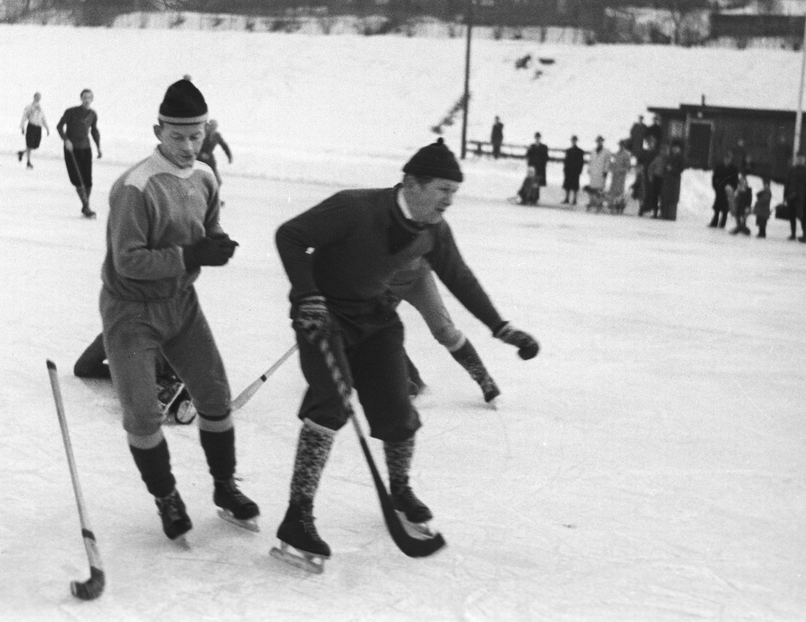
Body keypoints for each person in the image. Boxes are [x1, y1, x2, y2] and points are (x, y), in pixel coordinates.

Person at [271, 139, 540, 570]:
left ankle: (400, 490)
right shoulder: (355, 208)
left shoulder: (433, 229)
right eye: (443, 190)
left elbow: (460, 277)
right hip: (323, 316)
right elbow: (290, 235)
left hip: (376, 319)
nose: (450, 200)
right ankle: (297, 516)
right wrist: (307, 295)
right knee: (331, 404)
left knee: (398, 408)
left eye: (455, 191)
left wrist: (501, 328)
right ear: (411, 184)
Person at [98, 78, 257, 541]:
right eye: (178, 137)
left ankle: (225, 488)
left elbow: (207, 228)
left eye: (197, 136)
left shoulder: (205, 177)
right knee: (144, 415)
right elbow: (127, 259)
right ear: (158, 131)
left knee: (214, 395)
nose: (189, 147)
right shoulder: (135, 187)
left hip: (181, 304)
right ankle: (166, 497)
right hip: (131, 311)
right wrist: (191, 256)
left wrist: (216, 244)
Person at [394, 259, 501, 404]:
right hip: (383, 280)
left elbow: (449, 261)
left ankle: (484, 380)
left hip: (419, 278)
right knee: (380, 328)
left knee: (444, 330)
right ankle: (413, 381)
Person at [56, 89, 102, 218]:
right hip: (71, 148)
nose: (87, 99)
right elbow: (59, 126)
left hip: (86, 148)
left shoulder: (93, 114)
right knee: (77, 178)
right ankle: (86, 206)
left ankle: (86, 206)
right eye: (85, 97)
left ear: (92, 99)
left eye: (89, 97)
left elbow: (94, 131)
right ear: (81, 98)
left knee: (88, 179)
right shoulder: (71, 111)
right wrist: (66, 140)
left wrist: (98, 147)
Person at [197, 118, 233, 186]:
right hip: (198, 160)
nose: (213, 129)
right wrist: (200, 154)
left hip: (210, 160)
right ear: (208, 126)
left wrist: (229, 156)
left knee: (218, 181)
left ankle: (214, 196)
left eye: (215, 127)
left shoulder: (217, 135)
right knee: (200, 181)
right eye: (212, 127)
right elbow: (194, 146)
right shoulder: (201, 134)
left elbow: (224, 146)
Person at [783, 154, 806, 241]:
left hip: (801, 197)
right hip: (791, 196)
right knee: (791, 216)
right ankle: (793, 234)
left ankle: (805, 234)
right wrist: (785, 196)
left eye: (802, 159)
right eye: (799, 159)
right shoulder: (792, 170)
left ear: (805, 160)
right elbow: (787, 183)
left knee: (801, 215)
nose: (800, 160)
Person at [18, 92, 50, 169]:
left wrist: (47, 128)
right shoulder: (29, 107)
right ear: (34, 97)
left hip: (38, 128)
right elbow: (24, 117)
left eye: (39, 97)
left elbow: (43, 119)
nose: (38, 99)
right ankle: (28, 162)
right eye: (37, 97)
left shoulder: (40, 108)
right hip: (31, 127)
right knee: (29, 144)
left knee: (36, 145)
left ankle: (22, 152)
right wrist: (22, 127)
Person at [709, 152, 739, 228]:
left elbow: (735, 180)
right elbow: (714, 178)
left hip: (727, 190)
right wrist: (715, 187)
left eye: (728, 159)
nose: (727, 160)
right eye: (726, 159)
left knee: (725, 208)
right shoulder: (719, 167)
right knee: (717, 207)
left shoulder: (733, 169)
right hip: (719, 189)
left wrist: (732, 189)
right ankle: (714, 221)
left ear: (731, 160)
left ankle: (723, 223)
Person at [658, 140, 685, 221]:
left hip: (675, 180)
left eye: (676, 148)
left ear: (679, 148)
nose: (674, 149)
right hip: (667, 179)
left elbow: (681, 169)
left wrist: (672, 169)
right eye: (673, 148)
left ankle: (671, 215)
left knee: (673, 198)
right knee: (666, 196)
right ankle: (664, 214)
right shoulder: (670, 156)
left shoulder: (681, 157)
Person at [585, 136, 612, 212]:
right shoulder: (593, 151)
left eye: (600, 141)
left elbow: (607, 162)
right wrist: (589, 169)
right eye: (598, 141)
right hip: (593, 172)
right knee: (592, 189)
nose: (599, 142)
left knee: (599, 189)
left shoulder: (606, 151)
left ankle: (599, 203)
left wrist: (605, 171)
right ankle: (592, 202)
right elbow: (591, 161)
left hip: (601, 172)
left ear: (602, 142)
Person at [606, 139, 631, 214]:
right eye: (620, 145)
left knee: (619, 192)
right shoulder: (616, 154)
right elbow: (614, 164)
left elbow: (627, 167)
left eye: (622, 145)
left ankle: (619, 206)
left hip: (621, 176)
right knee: (612, 191)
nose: (621, 146)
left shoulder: (626, 155)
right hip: (614, 175)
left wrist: (621, 170)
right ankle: (612, 205)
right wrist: (611, 165)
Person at [562, 135, 584, 206]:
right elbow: (566, 161)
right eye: (572, 140)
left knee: (575, 186)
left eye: (574, 140)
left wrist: (580, 170)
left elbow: (581, 162)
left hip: (575, 171)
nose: (573, 141)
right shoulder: (568, 151)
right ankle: (567, 198)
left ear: (576, 141)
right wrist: (565, 169)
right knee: (567, 185)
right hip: (568, 170)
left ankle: (574, 199)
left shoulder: (580, 151)